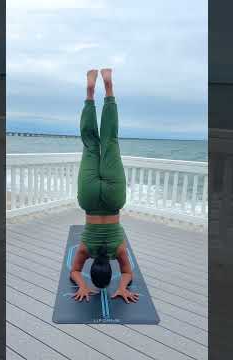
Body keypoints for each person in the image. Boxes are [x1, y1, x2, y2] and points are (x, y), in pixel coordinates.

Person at [69, 68, 139, 304]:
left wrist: (122, 288)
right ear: (93, 268)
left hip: (113, 200)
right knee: (91, 144)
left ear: (111, 268)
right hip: (89, 200)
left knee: (109, 141)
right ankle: (90, 94)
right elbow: (75, 272)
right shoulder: (85, 249)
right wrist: (83, 285)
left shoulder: (118, 250)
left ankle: (108, 89)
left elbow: (128, 273)